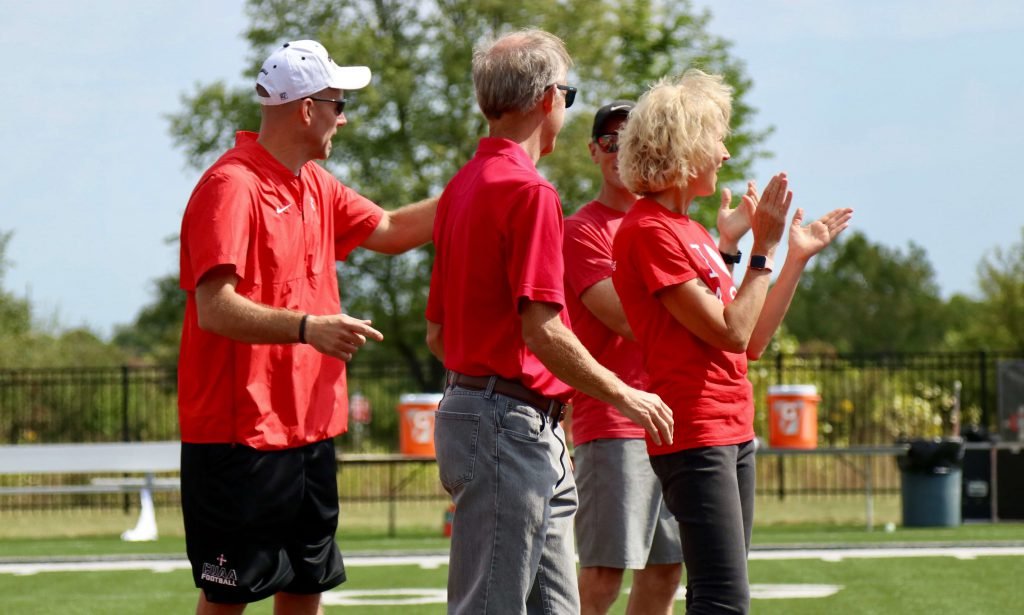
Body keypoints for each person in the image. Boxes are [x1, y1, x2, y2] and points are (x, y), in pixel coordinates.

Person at [177, 39, 437, 615]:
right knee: (229, 595)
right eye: (338, 104)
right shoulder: (231, 186)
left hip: (308, 429)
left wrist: (477, 190)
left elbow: (391, 229)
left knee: (305, 584)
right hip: (238, 434)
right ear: (305, 109)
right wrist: (305, 328)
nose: (342, 118)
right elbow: (214, 307)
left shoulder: (314, 182)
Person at [425, 29, 674, 614]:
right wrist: (624, 394)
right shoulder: (529, 191)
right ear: (547, 98)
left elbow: (438, 332)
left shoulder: (461, 187)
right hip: (508, 425)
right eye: (568, 91)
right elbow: (544, 328)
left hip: (499, 417)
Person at [611, 70, 853, 614]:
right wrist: (762, 250)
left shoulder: (691, 232)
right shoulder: (648, 230)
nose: (724, 152)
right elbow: (731, 329)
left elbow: (752, 343)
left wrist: (793, 256)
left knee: (719, 594)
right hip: (697, 432)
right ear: (684, 148)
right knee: (723, 599)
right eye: (715, 138)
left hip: (730, 428)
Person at [562, 100, 683, 615]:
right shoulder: (582, 229)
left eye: (631, 141)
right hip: (614, 419)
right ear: (594, 151)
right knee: (604, 571)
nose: (619, 151)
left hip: (673, 418)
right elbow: (628, 321)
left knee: (665, 569)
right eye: (610, 141)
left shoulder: (667, 224)